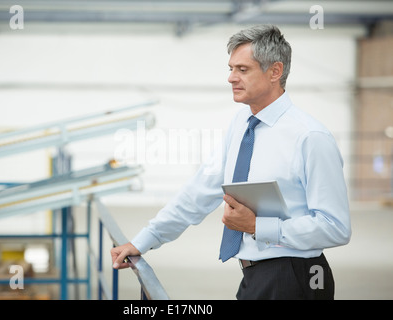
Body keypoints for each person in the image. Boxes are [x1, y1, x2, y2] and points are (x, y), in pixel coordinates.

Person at [111, 24, 351, 300]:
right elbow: (199, 192)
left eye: (242, 69)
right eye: (231, 68)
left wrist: (258, 227)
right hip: (255, 276)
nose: (231, 78)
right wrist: (144, 240)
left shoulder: (310, 137)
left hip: (298, 279)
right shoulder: (241, 124)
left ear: (275, 71)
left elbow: (336, 227)